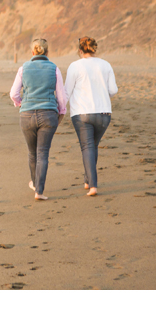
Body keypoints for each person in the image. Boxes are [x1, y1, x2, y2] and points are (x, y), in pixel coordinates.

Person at [9, 38, 67, 201]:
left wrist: (21, 104)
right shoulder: (54, 69)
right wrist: (61, 112)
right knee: (43, 153)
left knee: (32, 152)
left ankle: (35, 183)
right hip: (48, 114)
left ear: (32, 52)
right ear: (47, 52)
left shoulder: (23, 68)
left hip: (27, 115)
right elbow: (61, 96)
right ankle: (39, 191)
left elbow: (13, 94)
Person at [64, 36, 118, 197]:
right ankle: (88, 180)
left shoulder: (75, 66)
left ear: (80, 50)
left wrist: (59, 109)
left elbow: (67, 91)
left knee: (87, 147)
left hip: (82, 114)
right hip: (104, 114)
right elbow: (113, 90)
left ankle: (93, 185)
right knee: (92, 146)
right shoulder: (106, 65)